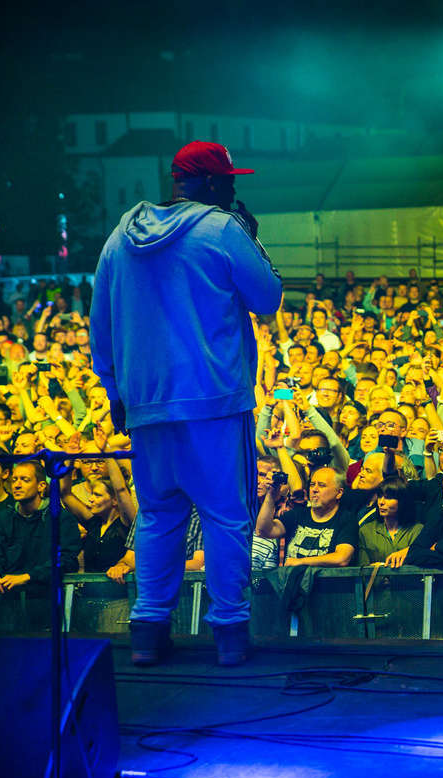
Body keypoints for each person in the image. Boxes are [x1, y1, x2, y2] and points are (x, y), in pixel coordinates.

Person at [91, 140, 283, 666]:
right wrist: (250, 236)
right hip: (215, 402)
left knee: (158, 516)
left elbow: (100, 325)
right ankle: (230, 635)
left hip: (146, 404)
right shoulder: (222, 228)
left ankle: (148, 632)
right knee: (226, 517)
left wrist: (115, 392)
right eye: (230, 181)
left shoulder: (119, 238)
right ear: (212, 183)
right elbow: (268, 298)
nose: (234, 190)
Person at [0, 460, 84, 631]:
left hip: (46, 604)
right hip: (9, 606)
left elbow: (68, 560)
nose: (17, 485)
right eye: (14, 480)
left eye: (24, 480)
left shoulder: (60, 518)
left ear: (41, 486)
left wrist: (28, 576)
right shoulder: (4, 518)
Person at [257, 466, 359, 568]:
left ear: (339, 493)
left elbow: (342, 558)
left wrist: (300, 562)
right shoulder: (297, 514)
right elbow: (263, 531)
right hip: (293, 578)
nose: (314, 489)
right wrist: (270, 496)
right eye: (312, 485)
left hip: (325, 579)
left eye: (322, 485)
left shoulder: (346, 519)